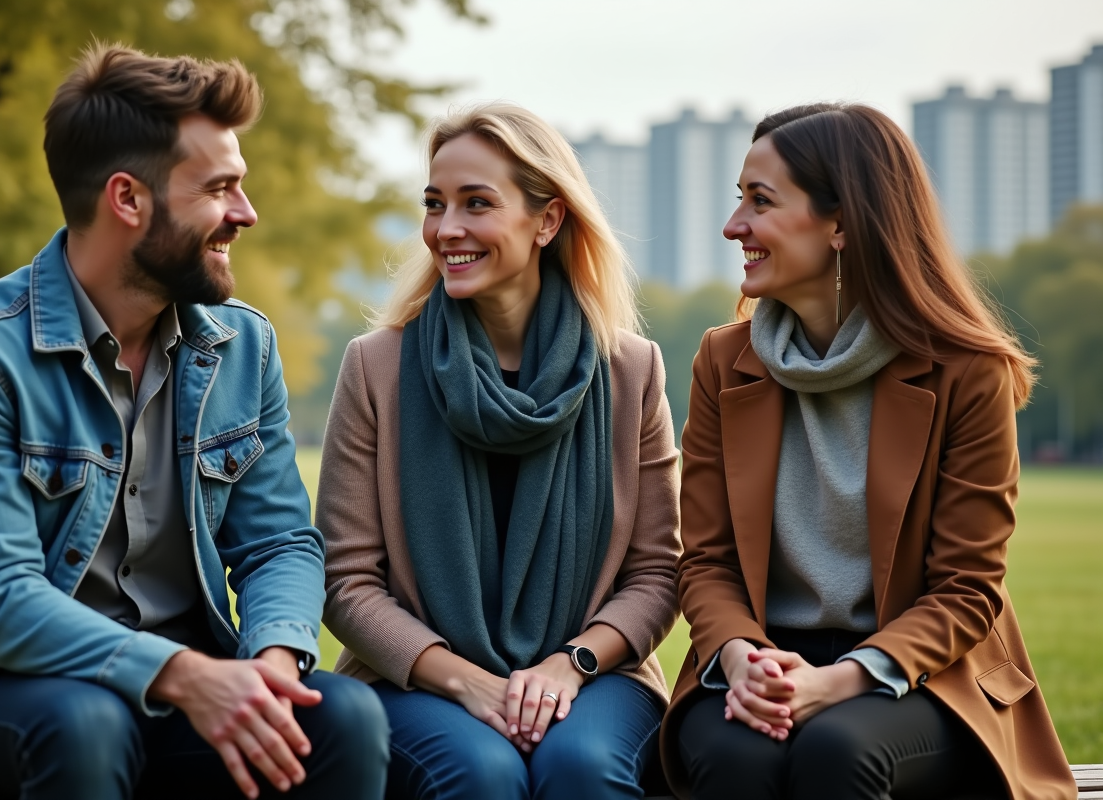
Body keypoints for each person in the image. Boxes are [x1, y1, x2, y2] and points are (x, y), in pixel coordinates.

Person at [0, 44, 388, 800]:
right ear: (127, 199)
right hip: (17, 693)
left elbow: (278, 543)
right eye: (219, 188)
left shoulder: (243, 346)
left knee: (344, 718)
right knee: (87, 724)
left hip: (194, 688)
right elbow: (0, 598)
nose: (245, 213)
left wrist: (272, 663)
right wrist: (183, 675)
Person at [661, 102, 1076, 800]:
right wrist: (741, 659)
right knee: (738, 759)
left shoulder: (967, 371)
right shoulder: (721, 362)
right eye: (740, 200)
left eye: (760, 201)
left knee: (838, 751)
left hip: (921, 673)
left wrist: (841, 680)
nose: (734, 226)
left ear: (843, 224)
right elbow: (706, 560)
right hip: (758, 656)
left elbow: (967, 588)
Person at [316, 102, 681, 800]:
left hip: (594, 673)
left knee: (580, 768)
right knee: (480, 772)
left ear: (547, 221)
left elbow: (657, 573)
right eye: (434, 204)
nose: (446, 228)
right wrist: (468, 683)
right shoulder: (377, 367)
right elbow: (347, 580)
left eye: (476, 203)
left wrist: (569, 665)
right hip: (415, 677)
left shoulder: (632, 371)